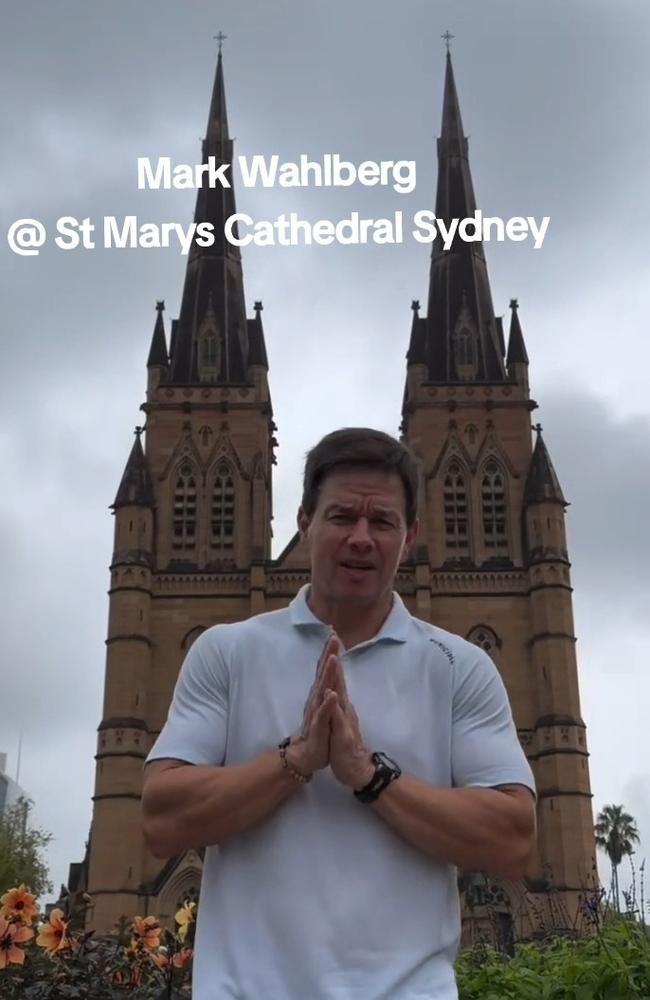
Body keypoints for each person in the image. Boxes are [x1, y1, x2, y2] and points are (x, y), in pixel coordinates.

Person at [142, 427, 536, 1000]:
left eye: (382, 522)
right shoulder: (226, 652)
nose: (360, 537)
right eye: (341, 516)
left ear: (411, 536)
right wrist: (295, 760)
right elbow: (160, 820)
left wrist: (368, 775)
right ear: (304, 523)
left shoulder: (460, 667)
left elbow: (514, 840)